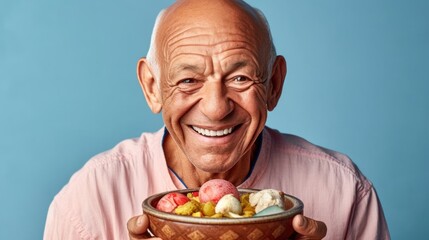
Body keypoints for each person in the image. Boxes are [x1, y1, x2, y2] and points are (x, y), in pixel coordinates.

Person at [44, 0, 390, 239]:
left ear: (273, 84)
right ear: (152, 87)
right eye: (188, 80)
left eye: (240, 78)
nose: (215, 108)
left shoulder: (346, 192)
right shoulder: (89, 199)